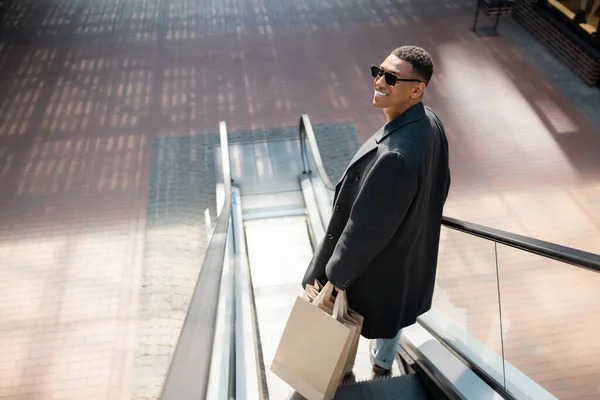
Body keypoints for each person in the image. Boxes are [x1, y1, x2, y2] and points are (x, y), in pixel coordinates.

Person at [301, 45, 451, 377]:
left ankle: (340, 372)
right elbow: (443, 181)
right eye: (378, 72)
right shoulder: (430, 122)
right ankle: (382, 362)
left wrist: (335, 279)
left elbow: (363, 230)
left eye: (391, 77)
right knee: (393, 310)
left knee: (347, 316)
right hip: (407, 256)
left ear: (416, 89)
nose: (379, 81)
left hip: (375, 265)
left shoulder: (396, 155)